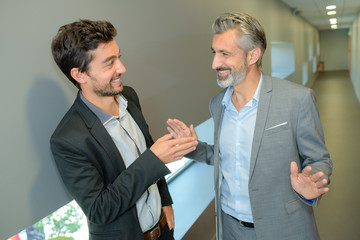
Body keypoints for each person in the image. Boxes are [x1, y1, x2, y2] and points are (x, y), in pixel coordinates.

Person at [167, 13, 332, 240]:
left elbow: (319, 159)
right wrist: (192, 147)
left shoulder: (297, 99)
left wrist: (312, 183)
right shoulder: (218, 104)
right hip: (230, 228)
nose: (215, 63)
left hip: (283, 228)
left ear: (253, 55)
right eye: (214, 52)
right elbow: (227, 156)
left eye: (225, 54)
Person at [50, 19, 198, 240]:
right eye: (109, 63)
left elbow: (146, 147)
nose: (122, 68)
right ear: (79, 74)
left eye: (119, 57)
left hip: (164, 230)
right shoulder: (67, 139)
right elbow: (100, 209)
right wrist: (154, 159)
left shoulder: (129, 95)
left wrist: (165, 202)